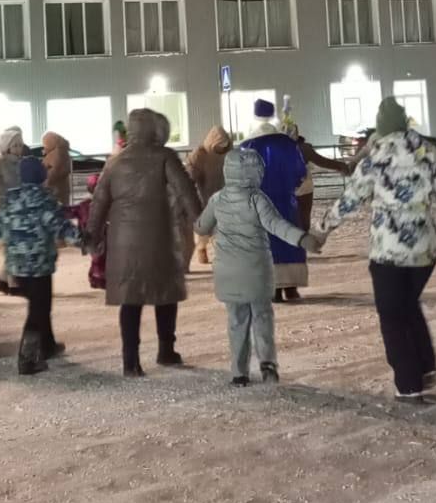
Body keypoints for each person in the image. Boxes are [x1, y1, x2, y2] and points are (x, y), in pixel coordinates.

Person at [319, 97, 436, 403]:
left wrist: (322, 230)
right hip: (424, 251)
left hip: (388, 252)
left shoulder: (374, 160)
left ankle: (409, 386)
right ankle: (423, 366)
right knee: (407, 305)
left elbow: (349, 200)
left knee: (393, 316)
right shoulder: (428, 155)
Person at [86, 109, 203, 376]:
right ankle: (166, 349)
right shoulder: (164, 157)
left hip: (123, 242)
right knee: (165, 294)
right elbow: (186, 191)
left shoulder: (115, 163)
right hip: (159, 235)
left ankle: (131, 361)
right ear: (154, 129)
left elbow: (99, 201)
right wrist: (201, 220)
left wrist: (92, 234)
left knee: (131, 299)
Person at [197, 146, 322, 386]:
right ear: (254, 173)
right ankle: (268, 365)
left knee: (236, 320)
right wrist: (302, 239)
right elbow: (277, 225)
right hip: (256, 272)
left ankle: (238, 372)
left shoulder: (217, 199)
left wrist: (201, 224)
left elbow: (202, 226)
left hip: (228, 272)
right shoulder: (257, 199)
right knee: (262, 317)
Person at [0, 156, 83, 374]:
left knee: (40, 307)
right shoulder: (44, 201)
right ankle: (27, 359)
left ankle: (47, 346)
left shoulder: (10, 202)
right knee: (38, 311)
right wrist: (85, 241)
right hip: (39, 266)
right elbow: (61, 227)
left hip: (17, 267)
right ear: (40, 176)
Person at [243, 99, 309, 302]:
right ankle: (291, 286)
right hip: (286, 202)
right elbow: (300, 172)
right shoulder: (287, 143)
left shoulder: (248, 146)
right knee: (289, 240)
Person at [0, 126, 26, 296]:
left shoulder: (23, 164)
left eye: (20, 145)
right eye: (15, 145)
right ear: (6, 146)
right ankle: (14, 284)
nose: (18, 148)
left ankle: (2, 280)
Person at [187, 126, 232, 266]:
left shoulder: (231, 155)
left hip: (225, 198)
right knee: (205, 231)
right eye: (219, 145)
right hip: (205, 197)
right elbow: (189, 176)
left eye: (224, 145)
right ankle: (201, 249)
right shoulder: (200, 155)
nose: (222, 148)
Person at [41, 130, 72, 199]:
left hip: (55, 189)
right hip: (62, 187)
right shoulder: (62, 151)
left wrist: (45, 181)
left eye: (45, 144)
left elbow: (55, 171)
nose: (44, 146)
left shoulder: (57, 154)